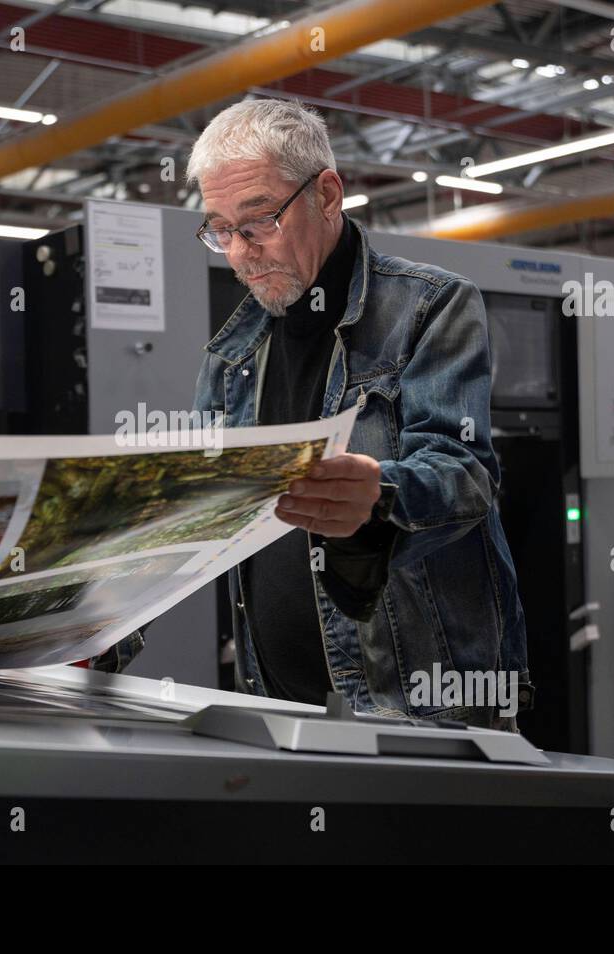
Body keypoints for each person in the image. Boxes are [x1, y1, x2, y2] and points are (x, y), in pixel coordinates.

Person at [185, 98, 530, 730]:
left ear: (327, 194)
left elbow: (467, 477)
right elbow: (198, 515)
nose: (239, 254)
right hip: (272, 707)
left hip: (422, 710)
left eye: (258, 221)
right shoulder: (233, 354)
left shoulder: (430, 307)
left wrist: (381, 494)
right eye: (220, 230)